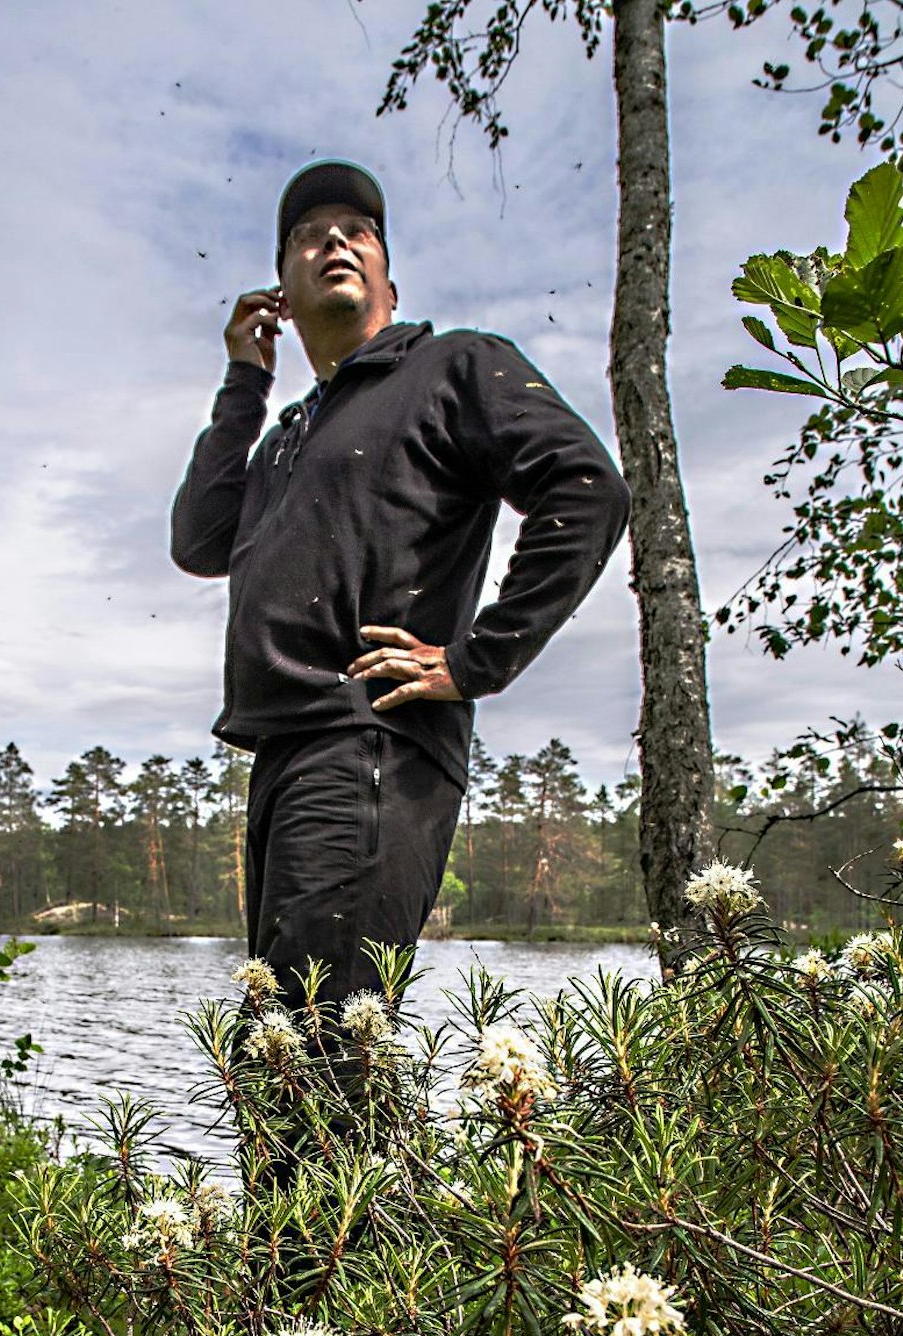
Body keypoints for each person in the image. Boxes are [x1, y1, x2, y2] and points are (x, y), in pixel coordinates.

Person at [171, 159, 630, 1008]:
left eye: (359, 231)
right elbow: (199, 539)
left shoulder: (453, 367)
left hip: (371, 743)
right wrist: (245, 382)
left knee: (315, 1043)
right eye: (309, 236)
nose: (335, 242)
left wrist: (474, 660)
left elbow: (586, 489)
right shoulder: (287, 438)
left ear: (389, 277)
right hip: (284, 753)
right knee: (285, 1041)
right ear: (281, 295)